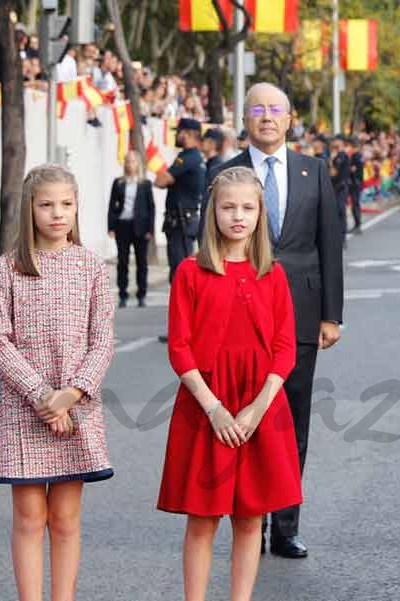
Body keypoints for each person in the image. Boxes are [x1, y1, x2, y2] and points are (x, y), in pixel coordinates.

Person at [208, 82, 343, 559]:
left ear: (290, 119)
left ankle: (286, 526)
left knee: (290, 424)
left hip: (301, 314)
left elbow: (330, 242)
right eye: (258, 109)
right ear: (244, 118)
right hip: (237, 319)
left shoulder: (314, 171)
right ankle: (250, 523)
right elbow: (206, 248)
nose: (267, 117)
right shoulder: (223, 173)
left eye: (276, 110)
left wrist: (332, 314)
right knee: (245, 418)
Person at [158, 166, 300, 601]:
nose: (238, 216)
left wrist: (257, 409)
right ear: (212, 212)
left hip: (259, 406)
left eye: (248, 207)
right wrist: (214, 407)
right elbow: (180, 347)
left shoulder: (271, 274)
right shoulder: (190, 272)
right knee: (202, 518)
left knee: (250, 517)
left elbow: (284, 347)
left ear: (260, 213)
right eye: (228, 207)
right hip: (208, 407)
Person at [0, 164, 115, 599]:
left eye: (66, 204)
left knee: (65, 516)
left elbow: (102, 340)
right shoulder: (8, 269)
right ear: (30, 209)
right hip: (25, 408)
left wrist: (70, 395)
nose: (57, 213)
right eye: (46, 204)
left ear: (77, 207)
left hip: (78, 406)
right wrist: (44, 397)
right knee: (27, 515)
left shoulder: (92, 267)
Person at [156, 117, 206, 283]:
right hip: (183, 220)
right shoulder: (194, 157)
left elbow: (161, 181)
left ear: (189, 134)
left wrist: (168, 178)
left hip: (181, 222)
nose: (177, 135)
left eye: (179, 131)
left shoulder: (187, 157)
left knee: (180, 270)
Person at [107, 150, 155, 308]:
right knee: (123, 261)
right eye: (127, 161)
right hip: (123, 226)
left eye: (133, 161)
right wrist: (111, 226)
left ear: (138, 164)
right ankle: (123, 295)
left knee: (142, 262)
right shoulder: (119, 182)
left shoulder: (145, 184)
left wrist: (150, 230)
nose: (130, 164)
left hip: (141, 227)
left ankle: (142, 295)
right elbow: (112, 206)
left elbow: (151, 208)